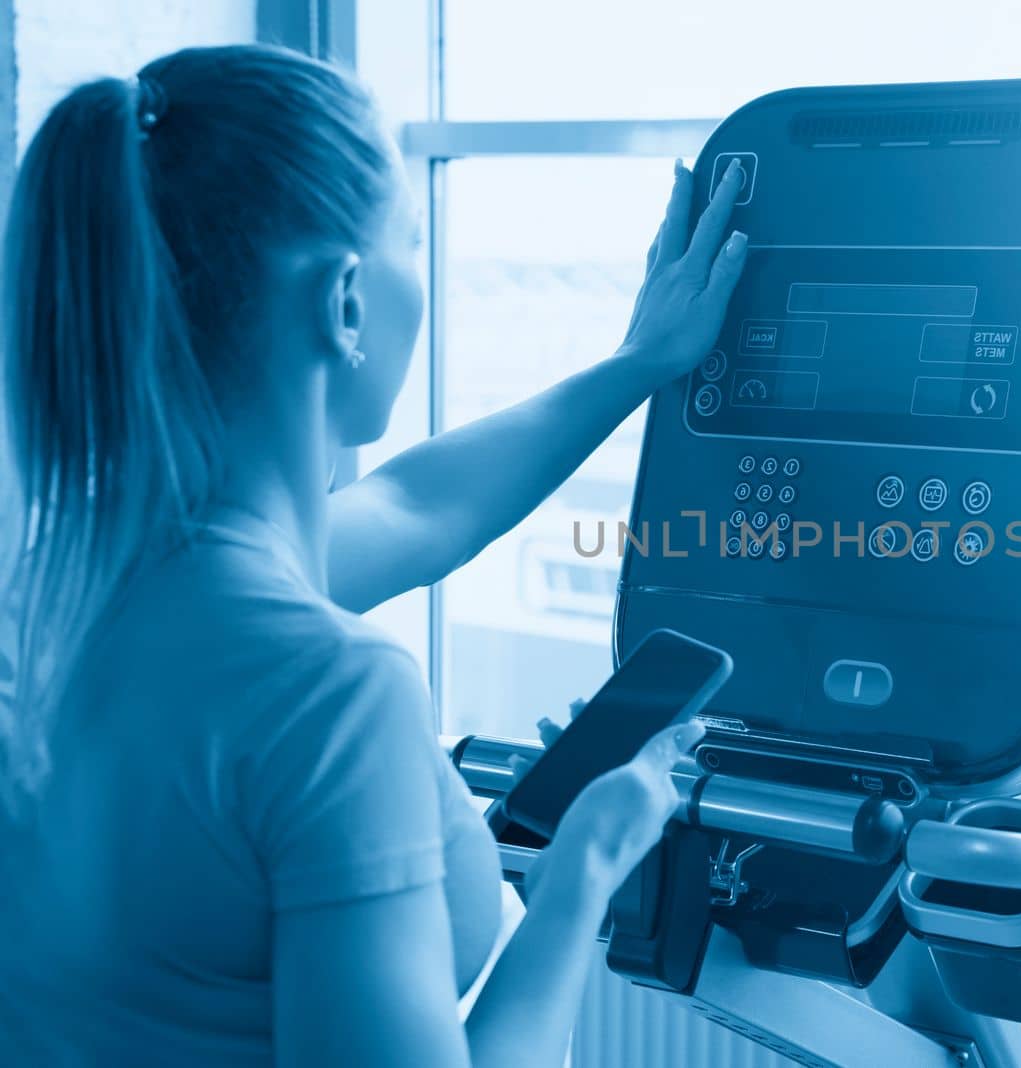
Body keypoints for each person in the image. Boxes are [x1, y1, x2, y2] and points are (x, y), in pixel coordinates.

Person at [0, 43, 748, 1065]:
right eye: (410, 234)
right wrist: (586, 865)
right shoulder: (331, 694)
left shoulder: (68, 590)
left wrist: (639, 365)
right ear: (346, 302)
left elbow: (418, 504)